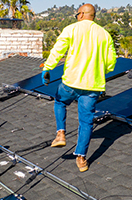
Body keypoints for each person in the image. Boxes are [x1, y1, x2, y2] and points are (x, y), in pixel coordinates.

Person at [41, 3, 117, 172]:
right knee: (86, 122)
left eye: (77, 14)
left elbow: (58, 50)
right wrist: (99, 71)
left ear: (82, 14)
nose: (76, 17)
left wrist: (47, 67)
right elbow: (112, 62)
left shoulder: (71, 29)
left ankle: (60, 133)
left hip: (72, 82)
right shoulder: (104, 34)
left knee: (60, 102)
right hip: (93, 86)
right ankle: (81, 158)